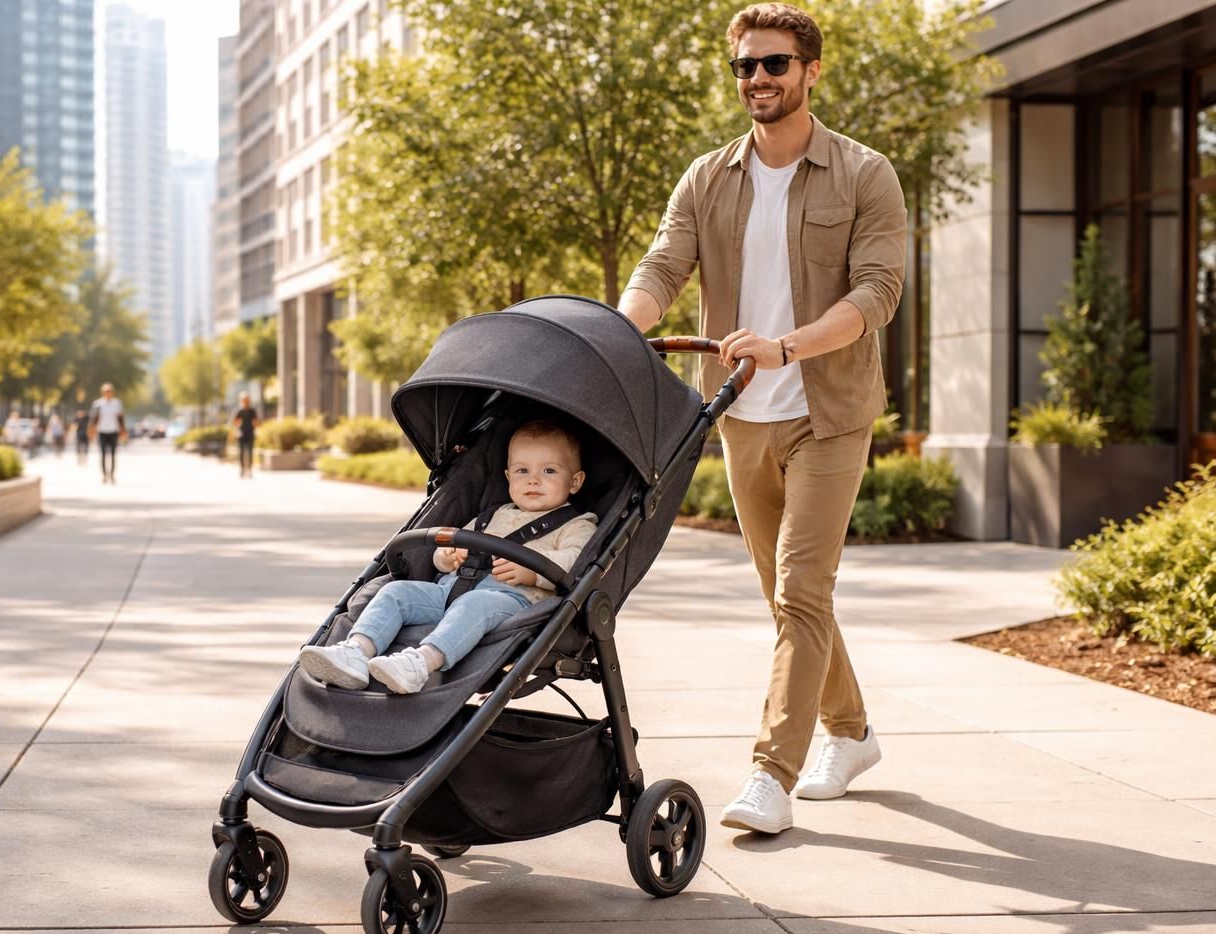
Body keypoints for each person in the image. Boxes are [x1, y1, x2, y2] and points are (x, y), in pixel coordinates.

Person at [617, 2, 906, 834]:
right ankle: (850, 733)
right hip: (743, 414)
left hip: (830, 410)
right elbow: (663, 263)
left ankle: (769, 776)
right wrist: (615, 327)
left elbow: (875, 295)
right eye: (744, 66)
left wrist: (787, 345)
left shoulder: (863, 174)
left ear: (811, 72)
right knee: (788, 601)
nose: (757, 80)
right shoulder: (710, 176)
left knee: (801, 590)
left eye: (774, 65)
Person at [298, 420, 598, 695]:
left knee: (476, 603)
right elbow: (448, 547)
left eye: (549, 471)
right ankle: (356, 651)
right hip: (447, 593)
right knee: (395, 591)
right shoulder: (492, 515)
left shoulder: (576, 523)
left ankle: (420, 663)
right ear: (508, 476)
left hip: (512, 602)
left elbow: (576, 560)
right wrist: (447, 557)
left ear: (575, 481)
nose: (533, 480)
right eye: (523, 471)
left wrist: (532, 571)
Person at [89, 383, 126, 483]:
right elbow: (93, 419)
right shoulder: (98, 404)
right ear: (102, 393)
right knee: (103, 454)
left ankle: (112, 475)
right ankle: (104, 475)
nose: (108, 393)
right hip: (102, 432)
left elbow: (120, 418)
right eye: (106, 391)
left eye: (109, 391)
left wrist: (123, 431)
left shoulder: (117, 403)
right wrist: (91, 431)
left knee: (113, 455)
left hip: (113, 431)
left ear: (112, 392)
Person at [232, 394, 259, 478]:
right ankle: (242, 469)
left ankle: (250, 470)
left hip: (250, 433)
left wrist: (257, 429)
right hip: (242, 434)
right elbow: (235, 422)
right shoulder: (239, 410)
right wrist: (236, 430)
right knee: (241, 452)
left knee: (250, 452)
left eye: (247, 400)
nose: (246, 401)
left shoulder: (252, 411)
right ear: (241, 401)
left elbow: (256, 422)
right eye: (244, 400)